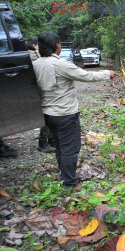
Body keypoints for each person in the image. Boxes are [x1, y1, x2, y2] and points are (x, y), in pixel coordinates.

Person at [33, 32, 116, 190]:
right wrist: (107, 74)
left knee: (59, 145)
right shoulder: (61, 64)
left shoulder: (36, 64)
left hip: (48, 114)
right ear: (57, 46)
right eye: (59, 43)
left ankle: (64, 174)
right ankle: (70, 182)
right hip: (65, 114)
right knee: (70, 149)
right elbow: (86, 76)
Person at [26, 37, 55, 153]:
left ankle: (51, 140)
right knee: (47, 115)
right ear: (34, 46)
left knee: (49, 113)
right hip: (38, 91)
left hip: (38, 90)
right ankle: (43, 143)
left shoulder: (32, 55)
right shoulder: (32, 56)